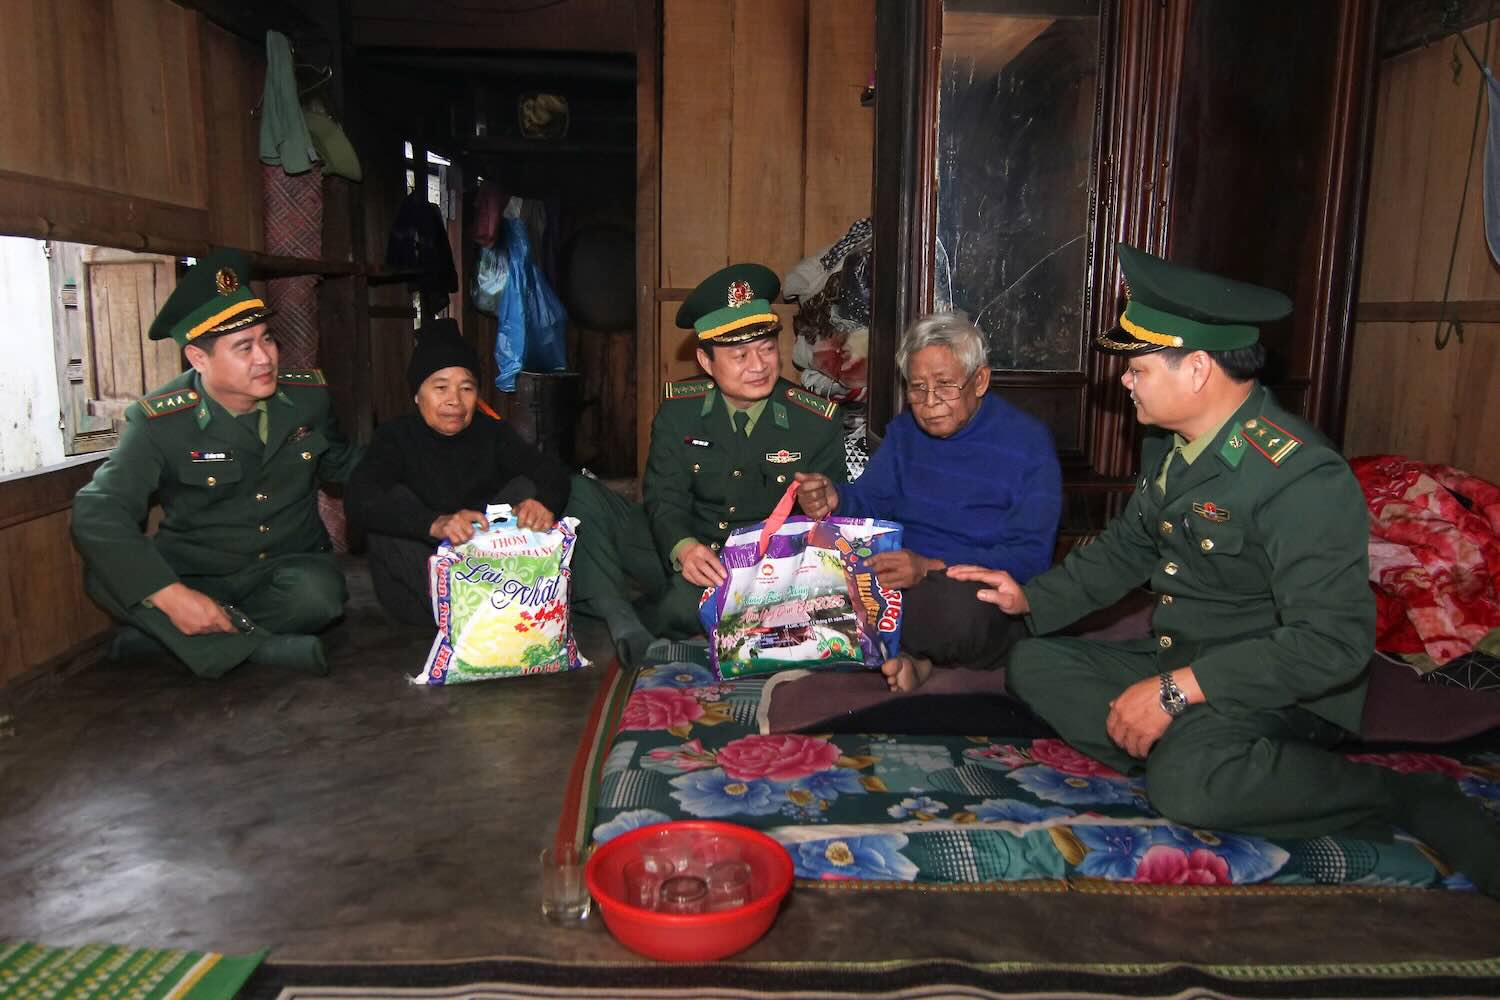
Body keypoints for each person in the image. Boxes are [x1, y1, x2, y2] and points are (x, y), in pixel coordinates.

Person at [948, 242, 1500, 896]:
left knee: (1189, 787)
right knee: (1034, 663)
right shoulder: (1172, 444)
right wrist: (1029, 601)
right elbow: (1130, 545)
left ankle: (1388, 791)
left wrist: (1179, 690)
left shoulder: (1299, 476)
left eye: (1139, 369)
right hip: (1184, 656)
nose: (1125, 381)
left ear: (1199, 369)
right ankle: (1190, 747)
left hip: (1278, 686)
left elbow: (1333, 646)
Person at [72, 250, 363, 677]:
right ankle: (259, 648)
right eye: (244, 347)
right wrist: (172, 595)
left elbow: (341, 463)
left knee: (320, 598)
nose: (265, 358)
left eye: (267, 338)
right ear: (198, 358)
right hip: (197, 572)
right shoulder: (159, 422)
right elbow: (98, 512)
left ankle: (168, 640)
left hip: (284, 570)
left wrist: (419, 466)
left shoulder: (306, 398)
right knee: (105, 577)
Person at [566, 263, 847, 659]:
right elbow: (663, 495)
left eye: (767, 349)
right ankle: (618, 616)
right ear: (705, 361)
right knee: (579, 492)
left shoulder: (813, 422)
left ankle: (632, 608)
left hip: (757, 567)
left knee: (685, 608)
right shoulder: (680, 410)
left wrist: (825, 501)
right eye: (739, 354)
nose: (758, 365)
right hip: (677, 542)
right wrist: (682, 547)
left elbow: (831, 525)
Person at [795, 311, 1060, 692]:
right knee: (816, 587)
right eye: (917, 388)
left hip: (965, 590)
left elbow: (1030, 559)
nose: (929, 402)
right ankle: (910, 657)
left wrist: (932, 567)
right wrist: (836, 497)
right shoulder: (905, 434)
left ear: (980, 380)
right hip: (898, 578)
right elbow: (871, 502)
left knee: (961, 617)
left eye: (945, 386)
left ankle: (890, 651)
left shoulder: (1029, 444)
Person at [345, 319, 571, 625]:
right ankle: (473, 610)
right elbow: (359, 498)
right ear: (417, 394)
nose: (454, 400)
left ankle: (503, 601)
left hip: (490, 576)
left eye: (466, 388)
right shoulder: (395, 437)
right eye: (440, 388)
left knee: (528, 487)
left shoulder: (492, 433)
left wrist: (542, 503)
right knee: (387, 503)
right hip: (421, 592)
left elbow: (549, 469)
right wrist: (433, 523)